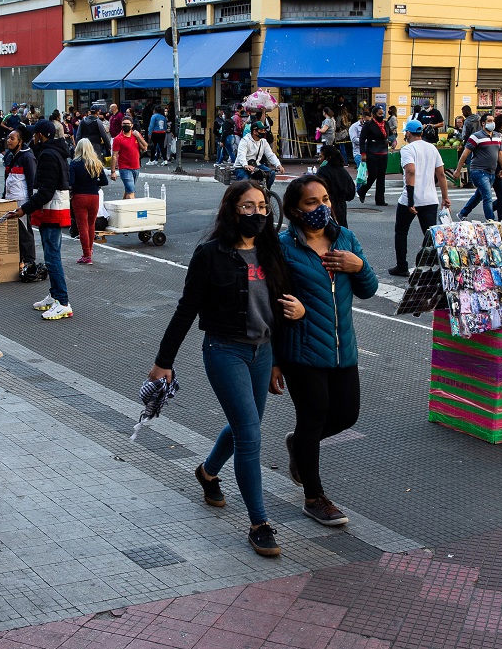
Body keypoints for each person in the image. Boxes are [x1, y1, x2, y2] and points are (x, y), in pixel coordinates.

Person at [150, 181, 304, 557]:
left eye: (262, 207)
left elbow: (282, 308)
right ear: (231, 210)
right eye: (247, 206)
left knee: (243, 427)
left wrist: (279, 358)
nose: (256, 213)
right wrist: (163, 362)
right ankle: (259, 523)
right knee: (250, 435)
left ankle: (207, 471)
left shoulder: (272, 252)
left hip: (263, 353)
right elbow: (186, 309)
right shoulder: (210, 255)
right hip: (225, 351)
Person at [274, 175, 376, 525]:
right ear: (294, 210)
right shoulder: (283, 247)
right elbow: (271, 304)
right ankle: (314, 497)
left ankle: (299, 444)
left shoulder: (345, 239)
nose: (322, 207)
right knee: (313, 415)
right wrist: (275, 360)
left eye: (326, 199)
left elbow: (369, 290)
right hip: (300, 350)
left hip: (341, 347)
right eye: (312, 202)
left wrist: (358, 266)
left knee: (346, 414)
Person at [8, 120, 73, 321]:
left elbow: (45, 191)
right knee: (51, 255)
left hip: (51, 213)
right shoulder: (55, 152)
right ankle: (55, 295)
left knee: (52, 257)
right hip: (54, 211)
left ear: (41, 135)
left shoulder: (47, 155)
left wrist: (24, 209)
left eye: (35, 134)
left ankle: (62, 302)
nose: (33, 137)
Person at [390, 119, 451, 276]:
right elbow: (441, 174)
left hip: (410, 199)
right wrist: (445, 197)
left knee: (401, 231)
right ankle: (439, 265)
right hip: (430, 199)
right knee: (430, 235)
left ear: (408, 133)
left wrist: (410, 200)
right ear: (421, 133)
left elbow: (410, 171)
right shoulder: (432, 148)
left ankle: (402, 266)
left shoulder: (407, 149)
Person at [453, 115, 502, 221]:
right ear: (483, 123)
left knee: (479, 195)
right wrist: (458, 170)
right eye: (489, 121)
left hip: (491, 172)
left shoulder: (497, 136)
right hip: (478, 172)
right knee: (487, 197)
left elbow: (500, 154)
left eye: (493, 121)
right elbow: (464, 154)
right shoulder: (476, 136)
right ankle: (491, 221)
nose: (492, 123)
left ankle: (463, 213)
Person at [69, 138, 109, 264]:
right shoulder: (96, 163)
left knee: (82, 227)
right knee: (91, 225)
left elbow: (71, 182)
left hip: (79, 197)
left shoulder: (74, 164)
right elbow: (104, 181)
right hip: (94, 197)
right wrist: (94, 183)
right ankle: (90, 250)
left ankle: (86, 255)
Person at [2, 127, 38, 269]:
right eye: (8, 138)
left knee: (24, 231)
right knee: (13, 232)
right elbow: (8, 179)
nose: (9, 141)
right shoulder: (10, 156)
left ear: (20, 141)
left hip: (22, 200)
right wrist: (4, 196)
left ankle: (29, 260)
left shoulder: (27, 157)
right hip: (10, 199)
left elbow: (32, 181)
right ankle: (18, 259)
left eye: (12, 138)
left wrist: (30, 203)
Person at [357, 105, 391, 205]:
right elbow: (362, 139)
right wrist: (363, 153)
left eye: (382, 114)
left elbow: (390, 134)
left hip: (383, 152)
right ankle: (362, 191)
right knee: (373, 175)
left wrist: (392, 141)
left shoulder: (386, 123)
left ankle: (380, 200)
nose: (381, 115)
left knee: (381, 176)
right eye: (379, 114)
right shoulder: (368, 125)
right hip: (372, 153)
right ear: (374, 114)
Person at [314, 145, 354, 227]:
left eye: (321, 156)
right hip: (342, 207)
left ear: (328, 158)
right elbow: (351, 193)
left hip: (327, 206)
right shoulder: (343, 171)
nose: (319, 159)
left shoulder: (322, 171)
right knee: (341, 231)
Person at [234, 121, 283, 188]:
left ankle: (267, 192)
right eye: (261, 130)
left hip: (256, 165)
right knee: (245, 182)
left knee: (271, 173)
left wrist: (278, 165)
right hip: (241, 167)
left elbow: (270, 155)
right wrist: (245, 165)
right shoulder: (245, 141)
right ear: (254, 132)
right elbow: (241, 154)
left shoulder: (263, 141)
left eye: (264, 130)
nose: (264, 132)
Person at [109, 116, 147, 199]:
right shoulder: (118, 139)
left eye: (128, 124)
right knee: (131, 191)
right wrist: (113, 171)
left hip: (136, 167)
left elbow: (145, 147)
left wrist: (138, 136)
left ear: (132, 125)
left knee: (128, 189)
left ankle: (123, 209)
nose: (126, 125)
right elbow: (114, 155)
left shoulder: (135, 135)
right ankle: (132, 210)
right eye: (124, 124)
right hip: (125, 168)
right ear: (121, 125)